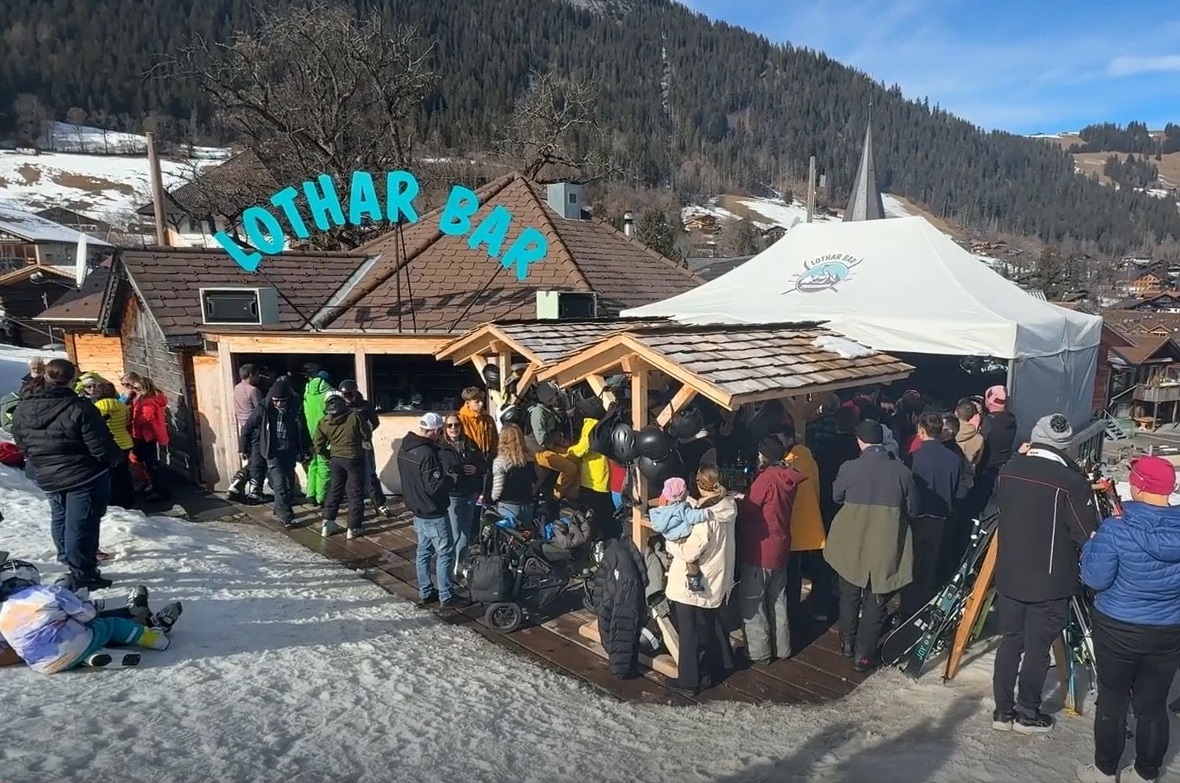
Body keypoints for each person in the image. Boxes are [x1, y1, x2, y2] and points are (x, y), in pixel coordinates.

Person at [1075, 456, 1180, 783]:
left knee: (1113, 699)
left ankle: (1105, 770)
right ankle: (1146, 772)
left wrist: (1090, 548)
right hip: (1168, 629)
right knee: (1153, 705)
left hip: (1119, 626)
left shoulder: (1115, 530)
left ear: (1139, 486)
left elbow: (1094, 579)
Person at [991, 413, 1097, 734]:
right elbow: (1085, 532)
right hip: (1050, 578)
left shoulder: (1008, 471)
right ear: (1066, 445)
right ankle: (1027, 712)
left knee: (1010, 642)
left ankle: (1003, 711)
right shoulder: (1071, 482)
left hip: (1009, 573)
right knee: (1038, 647)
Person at [10, 359, 122, 590]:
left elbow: (19, 439)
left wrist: (38, 459)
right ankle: (84, 574)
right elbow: (100, 446)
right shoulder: (78, 407)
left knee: (60, 516)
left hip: (45, 472)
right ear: (73, 380)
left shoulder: (25, 405)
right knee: (81, 524)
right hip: (82, 474)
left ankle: (66, 557)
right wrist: (115, 460)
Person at [824, 419, 918, 672]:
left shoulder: (849, 467)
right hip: (886, 543)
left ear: (860, 442)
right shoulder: (902, 471)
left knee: (850, 595)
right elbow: (914, 508)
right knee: (877, 600)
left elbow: (836, 496)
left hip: (851, 542)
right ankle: (864, 656)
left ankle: (847, 644)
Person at [0, 559, 175, 673]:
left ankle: (91, 657)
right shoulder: (47, 592)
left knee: (70, 636)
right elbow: (87, 616)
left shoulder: (3, 611)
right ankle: (153, 634)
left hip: (42, 665)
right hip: (70, 641)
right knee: (107, 626)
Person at [665, 465, 737, 696]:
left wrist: (670, 542)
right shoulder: (728, 505)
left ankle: (689, 680)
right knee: (710, 622)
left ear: (699, 485)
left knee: (689, 631)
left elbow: (690, 552)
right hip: (717, 575)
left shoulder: (706, 518)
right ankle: (721, 663)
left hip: (697, 581)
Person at [736, 437, 803, 663]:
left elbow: (750, 508)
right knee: (778, 601)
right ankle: (783, 648)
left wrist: (738, 500)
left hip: (759, 548)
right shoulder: (787, 476)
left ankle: (759, 653)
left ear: (764, 455)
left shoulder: (766, 479)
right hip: (781, 545)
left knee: (754, 602)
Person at [398, 412, 466, 608]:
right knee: (445, 552)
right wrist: (450, 479)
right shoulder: (426, 453)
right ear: (435, 430)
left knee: (423, 551)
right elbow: (433, 486)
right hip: (433, 510)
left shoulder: (405, 448)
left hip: (417, 509)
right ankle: (446, 595)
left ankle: (426, 591)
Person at [904, 412, 969, 615]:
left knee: (911, 565)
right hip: (939, 519)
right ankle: (923, 606)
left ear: (921, 431)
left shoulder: (912, 457)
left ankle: (907, 609)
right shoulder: (954, 458)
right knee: (929, 565)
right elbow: (960, 492)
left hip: (915, 517)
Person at [240, 377, 312, 529]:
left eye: (282, 401)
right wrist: (243, 448)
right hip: (272, 451)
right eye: (276, 401)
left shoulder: (294, 408)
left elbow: (301, 430)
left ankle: (278, 509)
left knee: (288, 481)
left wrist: (304, 448)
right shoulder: (264, 408)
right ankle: (286, 517)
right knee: (280, 485)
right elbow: (247, 428)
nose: (279, 404)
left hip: (289, 450)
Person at [782, 430, 829, 620]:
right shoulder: (809, 460)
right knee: (813, 567)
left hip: (793, 523)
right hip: (812, 521)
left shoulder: (791, 464)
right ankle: (819, 607)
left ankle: (792, 609)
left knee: (792, 571)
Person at [313, 392, 371, 540]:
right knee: (355, 493)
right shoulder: (354, 416)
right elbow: (366, 434)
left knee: (335, 490)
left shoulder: (323, 421)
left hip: (336, 458)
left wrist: (328, 454)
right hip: (353, 457)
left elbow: (318, 445)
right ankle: (353, 527)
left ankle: (328, 523)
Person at [439, 411, 486, 574]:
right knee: (454, 531)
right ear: (445, 427)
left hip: (470, 492)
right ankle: (450, 563)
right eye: (450, 425)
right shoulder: (441, 446)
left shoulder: (470, 443)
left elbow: (482, 465)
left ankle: (461, 562)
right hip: (452, 494)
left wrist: (476, 468)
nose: (453, 428)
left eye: (457, 425)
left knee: (466, 530)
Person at [649, 476, 715, 592]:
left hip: (669, 537)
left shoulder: (661, 510)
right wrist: (706, 513)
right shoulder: (681, 509)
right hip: (682, 536)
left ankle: (669, 569)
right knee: (692, 560)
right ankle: (693, 581)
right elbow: (693, 517)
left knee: (673, 556)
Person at [339, 380, 392, 518]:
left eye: (350, 394)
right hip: (347, 446)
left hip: (364, 444)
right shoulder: (340, 407)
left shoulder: (364, 405)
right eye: (345, 395)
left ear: (355, 393)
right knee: (350, 477)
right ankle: (355, 508)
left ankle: (379, 503)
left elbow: (375, 422)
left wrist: (366, 433)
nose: (348, 398)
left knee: (370, 474)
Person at [568, 393, 615, 538]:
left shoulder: (590, 424)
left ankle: (597, 540)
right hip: (604, 473)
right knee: (606, 511)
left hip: (592, 478)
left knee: (594, 514)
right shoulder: (604, 422)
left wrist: (569, 451)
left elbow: (583, 447)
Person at [93, 382, 136, 510]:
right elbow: (128, 421)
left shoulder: (97, 407)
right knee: (124, 471)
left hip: (109, 444)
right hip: (125, 442)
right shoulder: (122, 406)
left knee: (110, 474)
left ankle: (113, 500)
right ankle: (129, 498)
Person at [976, 384, 1018, 509]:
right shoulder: (1011, 419)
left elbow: (979, 444)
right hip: (1003, 466)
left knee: (979, 505)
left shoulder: (988, 422)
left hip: (986, 468)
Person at [129, 376, 170, 501]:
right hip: (144, 435)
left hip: (146, 436)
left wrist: (133, 420)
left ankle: (159, 490)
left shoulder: (147, 401)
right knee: (146, 462)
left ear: (144, 388)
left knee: (151, 464)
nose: (134, 390)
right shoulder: (148, 398)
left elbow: (147, 418)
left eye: (136, 388)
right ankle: (152, 486)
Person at [490, 423, 540, 525]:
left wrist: (490, 499)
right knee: (525, 538)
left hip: (508, 507)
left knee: (507, 538)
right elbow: (535, 478)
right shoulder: (530, 458)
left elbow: (497, 492)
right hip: (527, 504)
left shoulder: (501, 461)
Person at [302, 370, 334, 507]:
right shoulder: (328, 394)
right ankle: (321, 497)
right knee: (324, 466)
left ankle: (310, 494)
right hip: (324, 434)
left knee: (313, 464)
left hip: (310, 433)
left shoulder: (307, 392)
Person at [954, 399, 985, 470]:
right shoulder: (979, 439)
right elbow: (977, 461)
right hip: (966, 474)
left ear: (956, 413)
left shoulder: (947, 431)